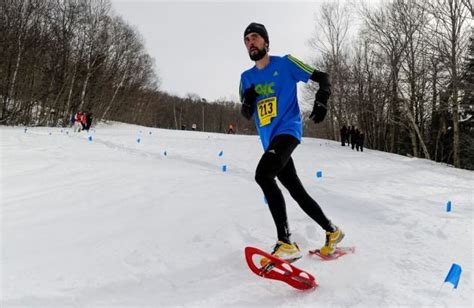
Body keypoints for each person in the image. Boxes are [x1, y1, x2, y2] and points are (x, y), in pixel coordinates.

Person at [239, 22, 344, 262]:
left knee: (263, 175)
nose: (250, 42)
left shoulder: (286, 63)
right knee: (297, 191)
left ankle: (285, 241)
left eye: (254, 37)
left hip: (288, 131)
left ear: (265, 41)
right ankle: (332, 231)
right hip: (270, 141)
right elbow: (246, 114)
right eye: (246, 40)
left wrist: (322, 99)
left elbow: (323, 77)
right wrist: (247, 102)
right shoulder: (246, 78)